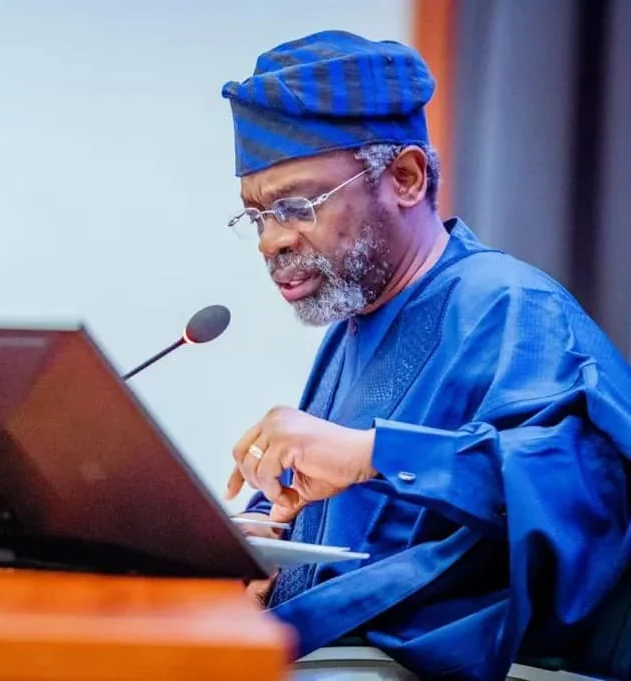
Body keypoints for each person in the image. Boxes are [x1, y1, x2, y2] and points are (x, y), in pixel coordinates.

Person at [218, 30, 631, 680]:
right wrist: (263, 546)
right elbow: (355, 528)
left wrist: (376, 452)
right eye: (256, 216)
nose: (271, 242)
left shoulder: (511, 306)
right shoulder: (354, 331)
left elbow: (587, 500)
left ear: (405, 178)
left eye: (296, 206)